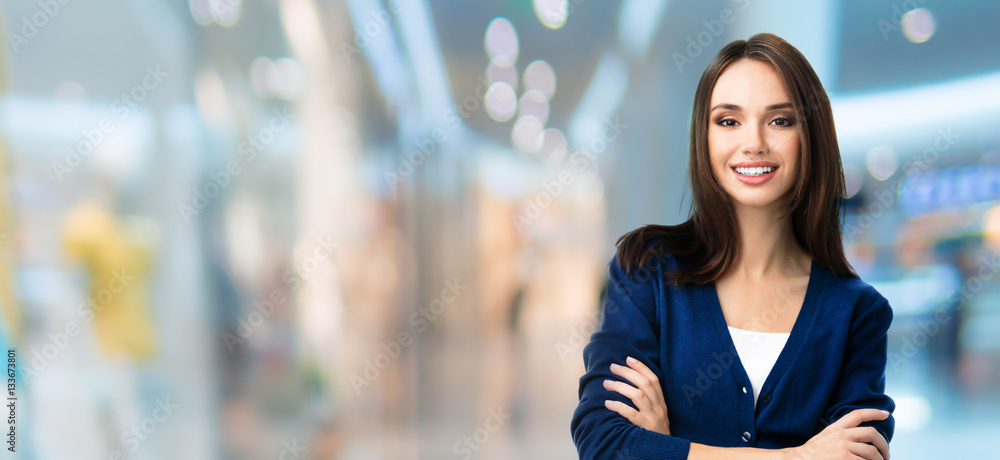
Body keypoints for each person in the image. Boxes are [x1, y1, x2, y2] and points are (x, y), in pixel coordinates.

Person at [570, 33, 895, 460]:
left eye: (780, 120)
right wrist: (794, 456)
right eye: (728, 121)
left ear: (810, 136)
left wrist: (670, 446)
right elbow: (605, 442)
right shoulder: (647, 271)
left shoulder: (858, 314)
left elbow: (858, 454)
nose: (753, 142)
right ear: (704, 138)